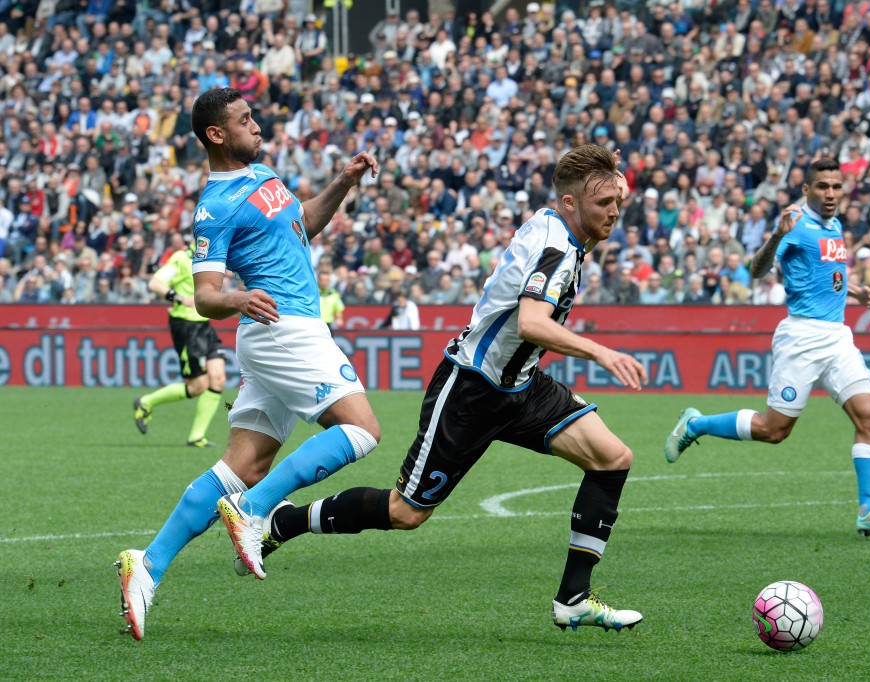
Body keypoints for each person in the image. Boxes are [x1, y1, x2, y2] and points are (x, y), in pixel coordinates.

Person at [227, 144, 648, 632]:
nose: (615, 212)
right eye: (605, 205)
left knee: (613, 458)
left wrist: (604, 173)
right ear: (572, 204)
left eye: (618, 203)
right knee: (405, 513)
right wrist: (601, 352)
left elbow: (592, 200)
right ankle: (282, 523)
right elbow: (532, 323)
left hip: (522, 387)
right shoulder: (555, 249)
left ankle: (573, 598)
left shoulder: (558, 219)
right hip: (472, 390)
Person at [115, 88, 381, 641]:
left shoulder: (262, 174)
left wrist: (343, 181)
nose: (256, 126)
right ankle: (255, 512)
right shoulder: (214, 207)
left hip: (277, 335)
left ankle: (149, 565)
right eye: (244, 120)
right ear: (216, 134)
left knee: (240, 467)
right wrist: (238, 296)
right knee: (362, 429)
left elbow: (302, 223)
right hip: (285, 328)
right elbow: (207, 294)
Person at [665, 158, 870, 538]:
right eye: (823, 187)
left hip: (837, 337)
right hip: (802, 338)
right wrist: (777, 236)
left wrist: (858, 291)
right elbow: (756, 269)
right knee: (774, 430)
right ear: (807, 190)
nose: (831, 193)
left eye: (836, 186)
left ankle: (869, 509)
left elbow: (831, 275)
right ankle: (696, 424)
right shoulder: (795, 224)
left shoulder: (835, 226)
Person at [133, 240, 227, 448]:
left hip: (204, 324)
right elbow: (154, 284)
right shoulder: (182, 258)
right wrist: (178, 297)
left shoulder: (213, 259)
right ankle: (146, 402)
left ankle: (196, 436)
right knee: (197, 386)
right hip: (187, 326)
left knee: (218, 379)